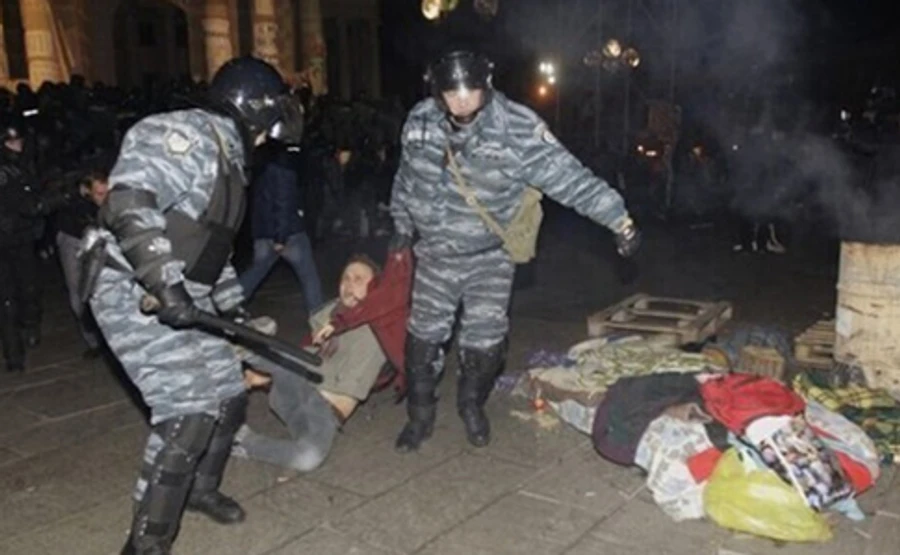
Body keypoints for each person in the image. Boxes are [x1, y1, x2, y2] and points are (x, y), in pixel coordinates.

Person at [82, 56, 304, 555]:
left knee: (227, 395)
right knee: (188, 411)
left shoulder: (229, 161)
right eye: (268, 126)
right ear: (252, 110)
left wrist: (235, 315)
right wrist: (165, 285)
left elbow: (210, 254)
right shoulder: (183, 133)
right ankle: (146, 545)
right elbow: (126, 202)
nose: (268, 139)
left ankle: (200, 490)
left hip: (180, 289)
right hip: (129, 289)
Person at [389, 50, 641, 452]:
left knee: (484, 344)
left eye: (470, 90)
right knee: (422, 340)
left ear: (486, 85)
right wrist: (401, 223)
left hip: (489, 255)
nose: (461, 100)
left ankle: (472, 405)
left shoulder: (517, 127)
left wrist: (618, 219)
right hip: (434, 253)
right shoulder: (420, 120)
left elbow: (569, 177)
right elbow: (405, 176)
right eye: (450, 92)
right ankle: (420, 416)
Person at [234, 247, 413, 471]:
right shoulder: (326, 319)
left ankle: (243, 440)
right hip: (297, 390)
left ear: (376, 288)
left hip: (324, 413)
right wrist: (269, 375)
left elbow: (396, 291)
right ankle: (249, 344)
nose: (349, 284)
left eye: (359, 279)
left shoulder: (384, 319)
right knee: (293, 358)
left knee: (307, 458)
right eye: (345, 278)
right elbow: (306, 357)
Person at [238, 139, 324, 310]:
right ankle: (319, 319)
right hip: (288, 232)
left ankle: (229, 304)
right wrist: (281, 237)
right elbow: (283, 203)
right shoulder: (283, 168)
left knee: (255, 273)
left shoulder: (258, 165)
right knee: (309, 278)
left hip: (263, 231)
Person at [0, 117, 49, 372]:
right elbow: (27, 205)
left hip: (21, 239)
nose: (17, 145)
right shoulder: (8, 173)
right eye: (12, 141)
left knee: (26, 291)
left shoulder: (21, 166)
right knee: (9, 298)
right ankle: (14, 354)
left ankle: (25, 332)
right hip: (10, 241)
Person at [55, 168, 109, 358]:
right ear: (86, 191)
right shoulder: (73, 204)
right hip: (73, 240)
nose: (104, 198)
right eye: (99, 194)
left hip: (99, 239)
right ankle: (93, 340)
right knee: (79, 291)